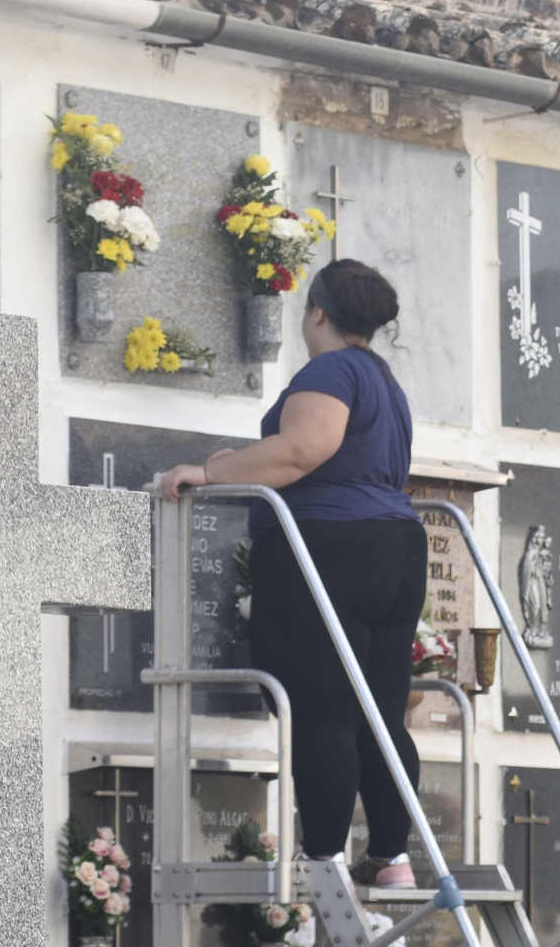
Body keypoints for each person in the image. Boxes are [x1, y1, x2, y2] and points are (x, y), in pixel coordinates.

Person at [159, 259, 425, 888]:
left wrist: (209, 472)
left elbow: (308, 447)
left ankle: (325, 855)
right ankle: (392, 857)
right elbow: (340, 459)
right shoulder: (385, 381)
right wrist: (242, 462)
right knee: (379, 713)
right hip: (396, 548)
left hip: (328, 548)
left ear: (317, 313)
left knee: (323, 710)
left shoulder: (328, 369)